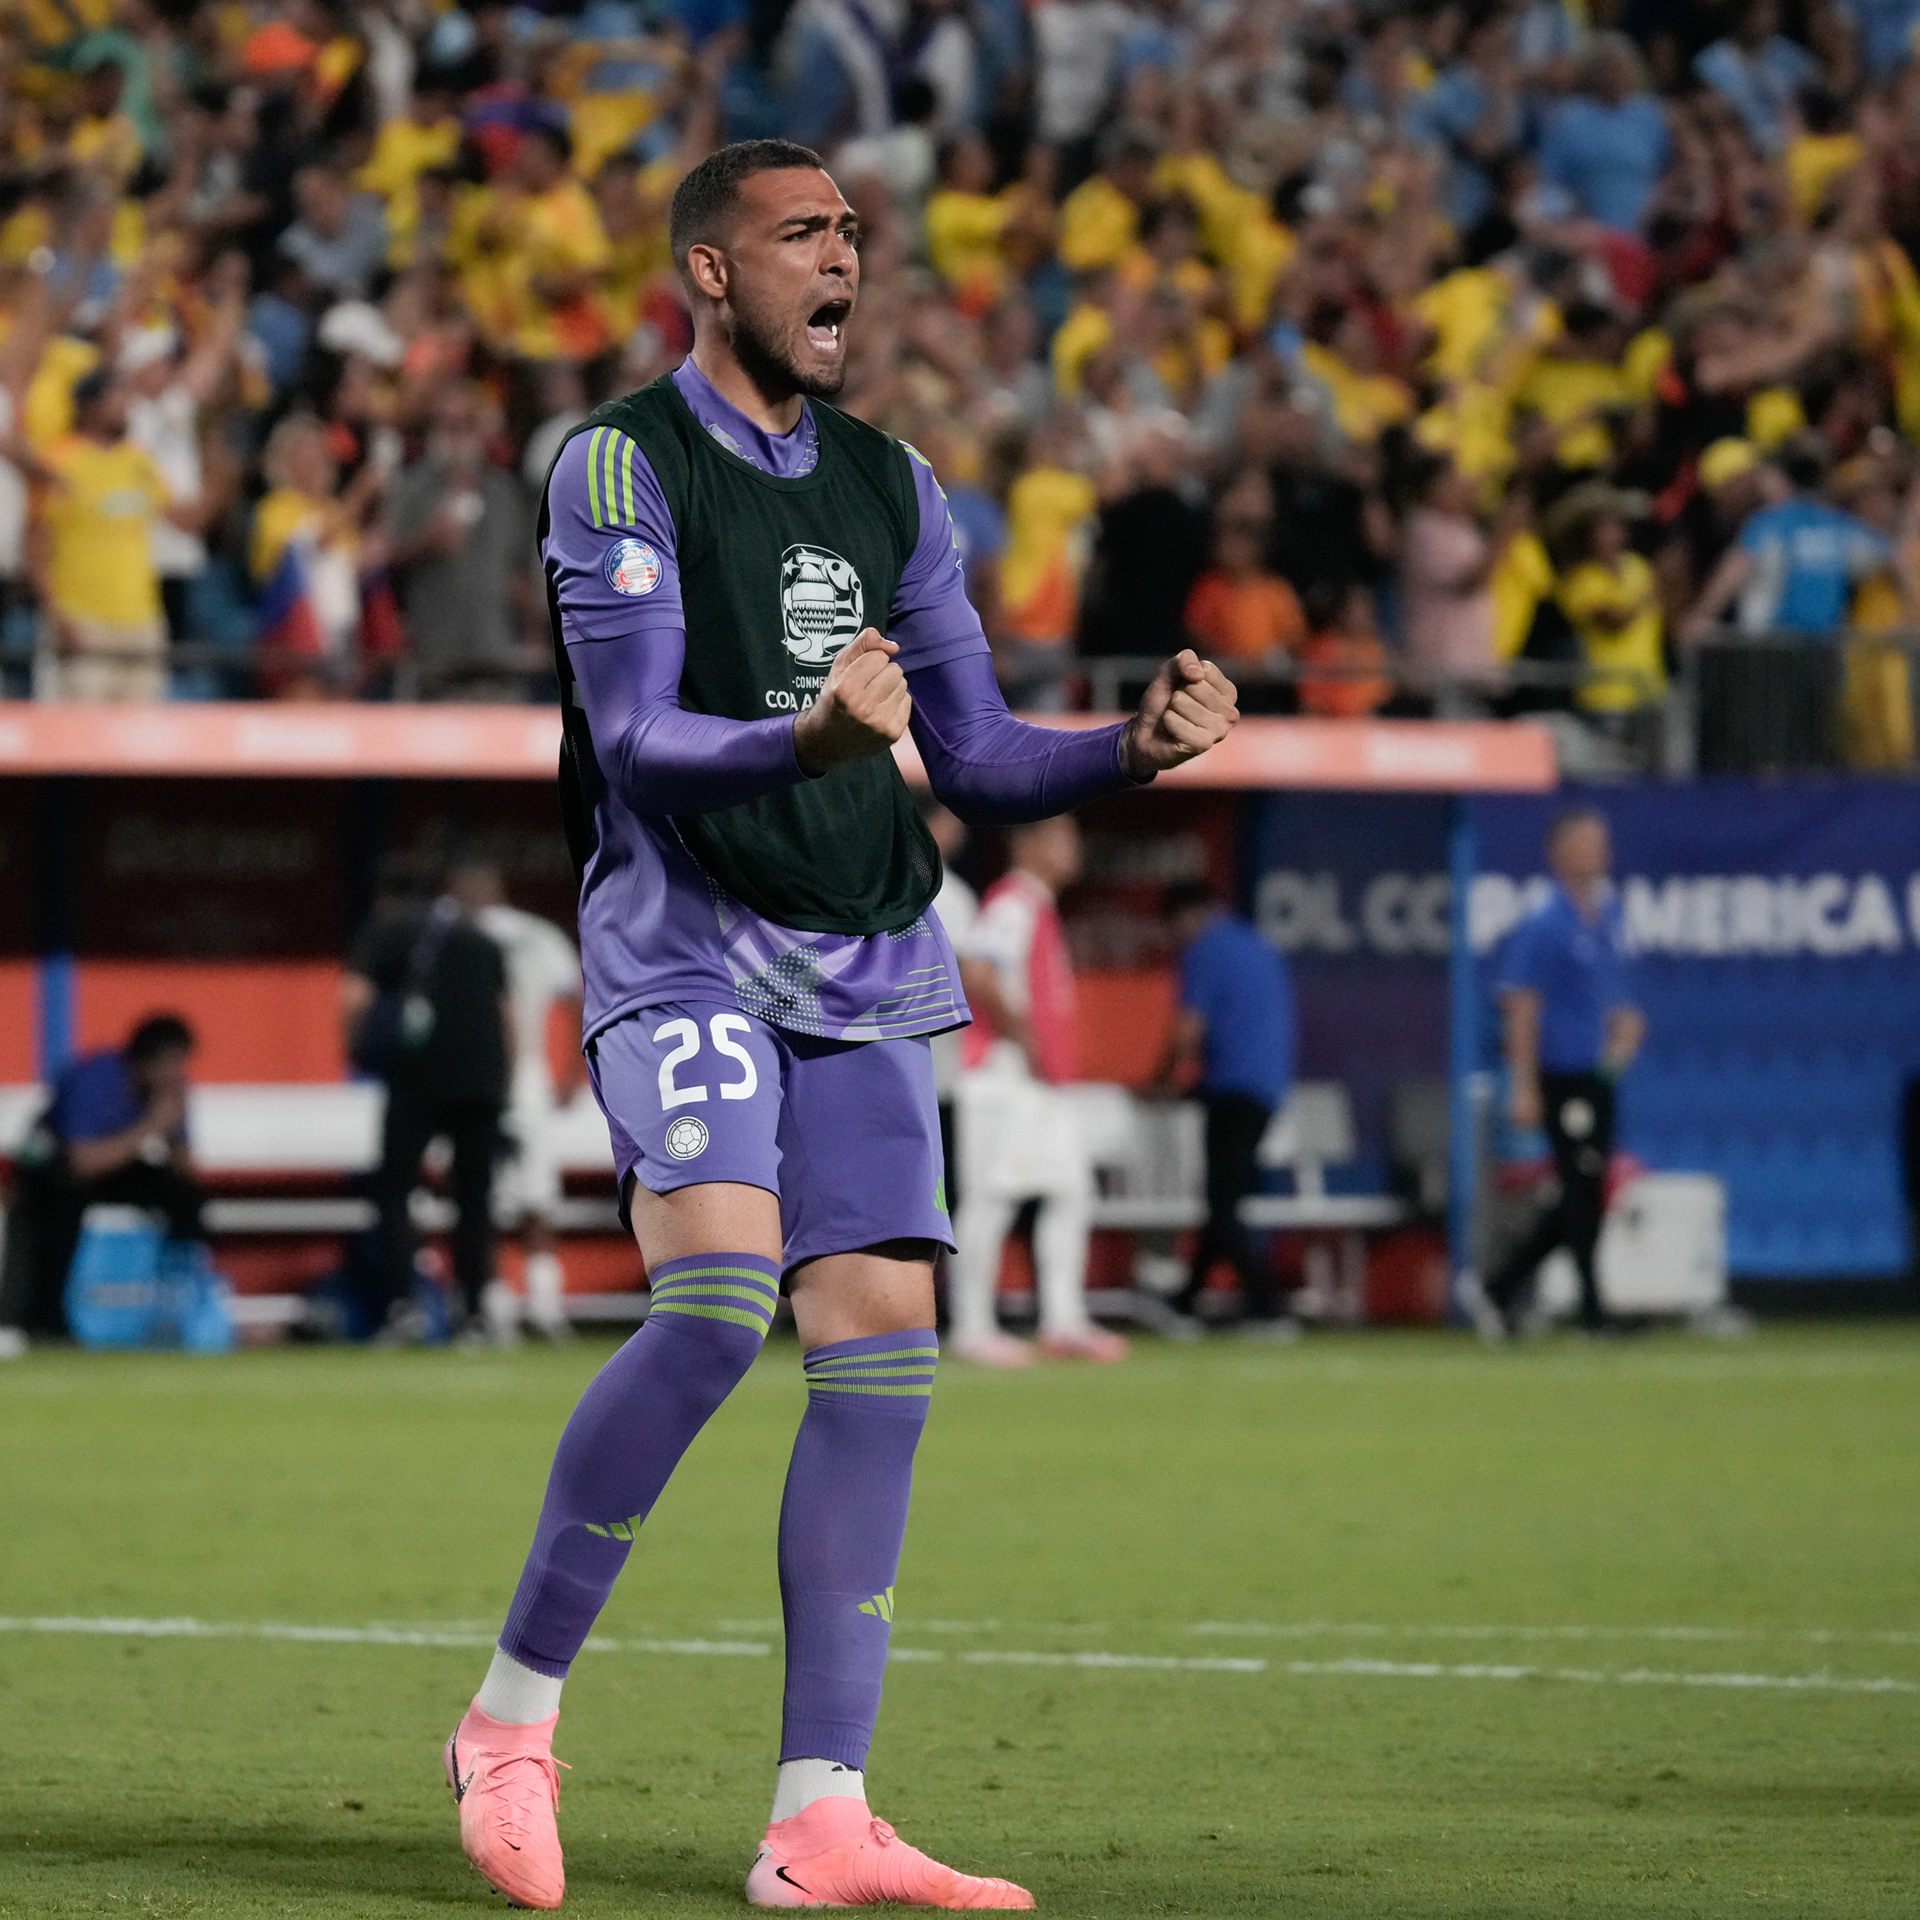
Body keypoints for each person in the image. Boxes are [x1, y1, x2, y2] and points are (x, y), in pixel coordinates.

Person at [443, 140, 1236, 1915]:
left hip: (869, 944)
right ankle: (507, 1721)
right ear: (710, 271)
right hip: (687, 936)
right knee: (720, 1302)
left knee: (883, 1346)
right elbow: (636, 732)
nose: (845, 262)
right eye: (805, 234)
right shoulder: (618, 466)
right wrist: (805, 739)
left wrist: (1125, 749)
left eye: (855, 236)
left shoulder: (896, 486)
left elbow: (975, 754)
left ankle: (820, 1817)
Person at [950, 813, 1126, 1371]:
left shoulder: (1038, 905)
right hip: (1003, 1078)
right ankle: (972, 1326)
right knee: (992, 1200)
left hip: (1039, 1085)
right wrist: (1025, 1039)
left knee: (1071, 1192)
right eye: (1063, 838)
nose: (1073, 849)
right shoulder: (1012, 902)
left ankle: (1064, 1321)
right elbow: (977, 971)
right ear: (1030, 844)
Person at [1474, 809, 1646, 1338]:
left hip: (1598, 1077)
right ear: (1559, 853)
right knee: (1579, 1189)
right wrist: (1524, 1086)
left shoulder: (1610, 915)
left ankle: (1502, 1286)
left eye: (1602, 840)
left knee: (1585, 1192)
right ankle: (1593, 1310)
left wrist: (1620, 1048)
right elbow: (1522, 1007)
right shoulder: (1545, 922)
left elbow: (1617, 998)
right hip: (1559, 1074)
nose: (1599, 851)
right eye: (1587, 842)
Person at [343, 875, 510, 1344]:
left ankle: (403, 1309)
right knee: (474, 1200)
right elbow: (505, 1014)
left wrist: (356, 1050)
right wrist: (504, 1086)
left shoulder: (388, 929)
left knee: (395, 1192)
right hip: (481, 1082)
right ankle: (474, 1313)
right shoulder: (479, 937)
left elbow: (354, 996)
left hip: (416, 1079)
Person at [0, 1014, 204, 1352]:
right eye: (173, 1064)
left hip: (113, 1167)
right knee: (58, 1207)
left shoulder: (171, 1093)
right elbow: (81, 1163)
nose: (178, 1074)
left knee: (185, 1198)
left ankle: (184, 1301)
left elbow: (185, 1170)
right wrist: (151, 1127)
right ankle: (45, 1320)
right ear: (148, 1061)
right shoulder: (95, 1078)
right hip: (51, 1171)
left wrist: (175, 1129)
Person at [1148, 881, 1298, 1338]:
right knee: (1224, 1201)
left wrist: (1159, 1081)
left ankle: (1267, 1307)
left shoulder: (1205, 950)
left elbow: (1187, 1029)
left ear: (1184, 917)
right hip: (1267, 1088)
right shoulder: (1254, 944)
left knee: (1222, 1205)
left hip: (1232, 1089)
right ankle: (1186, 1302)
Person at [445, 856, 583, 1345]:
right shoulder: (539, 934)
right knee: (534, 1193)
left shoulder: (455, 936)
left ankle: (498, 1306)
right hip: (528, 1074)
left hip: (478, 1074)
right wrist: (573, 1066)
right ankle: (543, 1305)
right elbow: (577, 992)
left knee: (485, 1194)